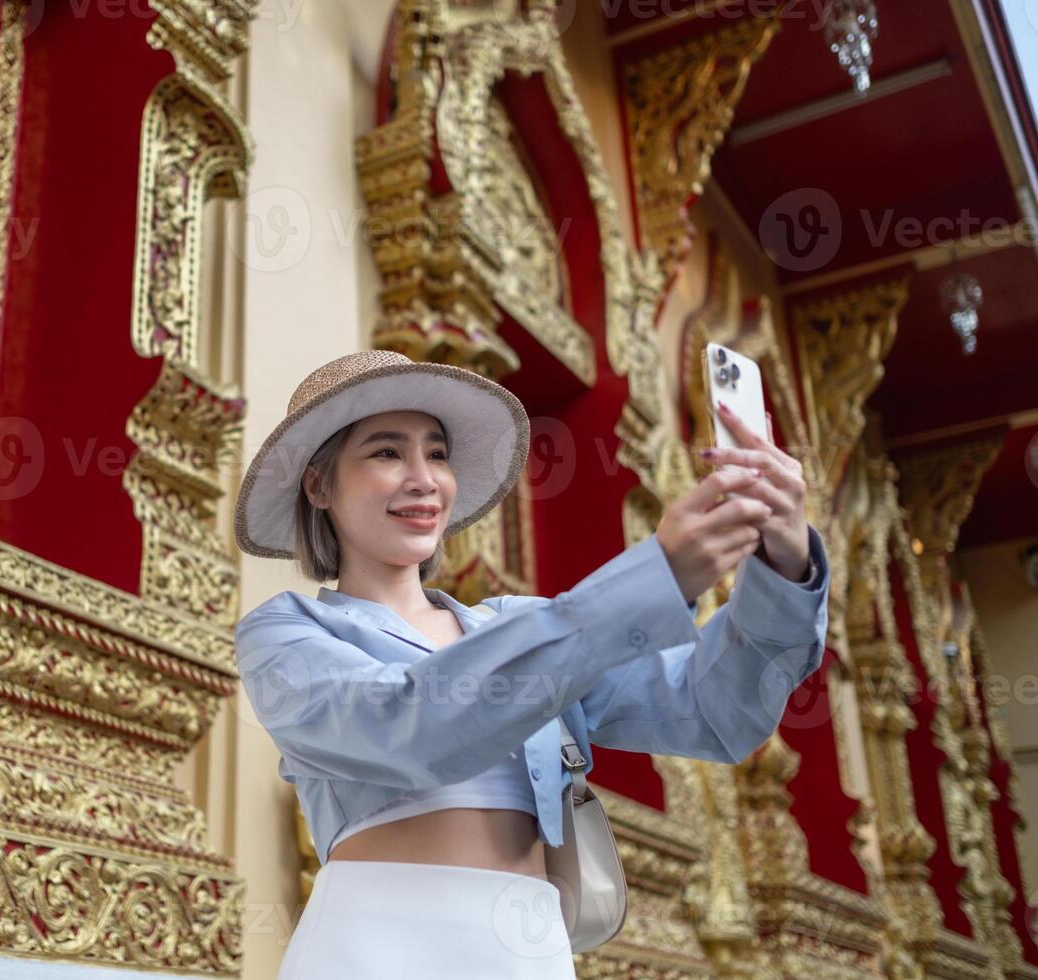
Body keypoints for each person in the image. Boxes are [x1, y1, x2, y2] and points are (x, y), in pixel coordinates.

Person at [233, 350, 828, 978]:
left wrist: (785, 566)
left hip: (531, 949)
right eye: (386, 452)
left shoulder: (517, 625)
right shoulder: (285, 633)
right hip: (374, 945)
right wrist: (655, 579)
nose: (423, 478)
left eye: (436, 454)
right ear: (319, 484)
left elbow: (714, 712)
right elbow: (408, 724)